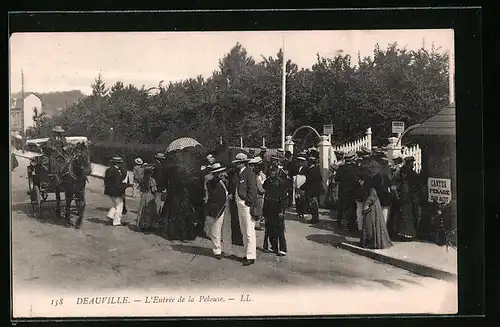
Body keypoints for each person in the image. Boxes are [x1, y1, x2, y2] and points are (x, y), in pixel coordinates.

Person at [230, 153, 258, 266]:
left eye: (239, 163)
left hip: (245, 204)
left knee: (249, 231)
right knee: (243, 230)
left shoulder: (249, 173)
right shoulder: (238, 173)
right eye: (237, 163)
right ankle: (247, 253)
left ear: (243, 163)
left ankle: (251, 256)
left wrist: (248, 202)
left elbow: (252, 189)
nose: (237, 164)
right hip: (239, 203)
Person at [204, 163, 236, 260]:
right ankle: (217, 250)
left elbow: (227, 191)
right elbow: (213, 191)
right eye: (218, 173)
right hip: (217, 208)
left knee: (227, 230)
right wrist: (219, 178)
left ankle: (228, 250)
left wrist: (229, 195)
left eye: (221, 172)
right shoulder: (211, 182)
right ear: (214, 173)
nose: (221, 174)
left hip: (226, 207)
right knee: (216, 230)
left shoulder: (224, 181)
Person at [357, 173, 393, 249]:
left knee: (371, 224)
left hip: (373, 208)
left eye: (360, 180)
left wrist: (367, 204)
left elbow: (373, 195)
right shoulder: (366, 186)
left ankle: (373, 242)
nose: (359, 182)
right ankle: (370, 241)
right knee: (370, 224)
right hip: (372, 207)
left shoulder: (370, 187)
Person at [263, 163, 288, 256]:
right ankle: (273, 246)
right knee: (269, 228)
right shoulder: (267, 181)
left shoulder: (281, 182)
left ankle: (282, 248)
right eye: (270, 171)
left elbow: (283, 198)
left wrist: (281, 210)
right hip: (269, 206)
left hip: (278, 206)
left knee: (280, 229)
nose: (272, 172)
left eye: (273, 171)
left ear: (277, 171)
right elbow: (264, 190)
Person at [393, 157, 420, 241]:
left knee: (403, 214)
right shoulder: (410, 173)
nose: (413, 164)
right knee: (408, 215)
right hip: (408, 196)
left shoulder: (401, 171)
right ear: (409, 163)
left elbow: (395, 182)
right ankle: (407, 234)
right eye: (412, 163)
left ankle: (401, 233)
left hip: (403, 195)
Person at [335, 152, 358, 230]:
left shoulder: (341, 168)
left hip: (343, 189)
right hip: (352, 190)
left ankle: (339, 222)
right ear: (352, 159)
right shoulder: (355, 167)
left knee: (341, 207)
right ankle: (350, 224)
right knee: (351, 207)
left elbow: (336, 179)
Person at [300, 155, 323, 224]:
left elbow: (309, 181)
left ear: (310, 162)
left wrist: (302, 187)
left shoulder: (312, 170)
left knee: (313, 205)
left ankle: (315, 218)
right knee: (314, 204)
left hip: (311, 191)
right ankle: (315, 217)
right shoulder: (316, 169)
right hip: (314, 190)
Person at [135, 164, 158, 231]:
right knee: (149, 211)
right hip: (150, 195)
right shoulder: (152, 180)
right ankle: (147, 225)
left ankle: (141, 225)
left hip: (143, 195)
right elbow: (154, 189)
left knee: (142, 210)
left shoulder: (142, 178)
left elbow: (139, 188)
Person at [104, 156, 125, 227]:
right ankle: (116, 221)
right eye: (120, 163)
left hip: (109, 191)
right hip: (116, 192)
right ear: (118, 164)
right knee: (120, 206)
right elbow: (118, 183)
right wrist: (122, 192)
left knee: (115, 204)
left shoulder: (108, 170)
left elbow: (106, 181)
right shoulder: (116, 172)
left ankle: (110, 215)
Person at [248, 156, 266, 231]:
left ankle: (255, 224)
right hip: (258, 195)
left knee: (256, 209)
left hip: (255, 194)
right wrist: (264, 190)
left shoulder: (253, 174)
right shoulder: (255, 175)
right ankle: (257, 225)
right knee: (258, 210)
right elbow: (260, 187)